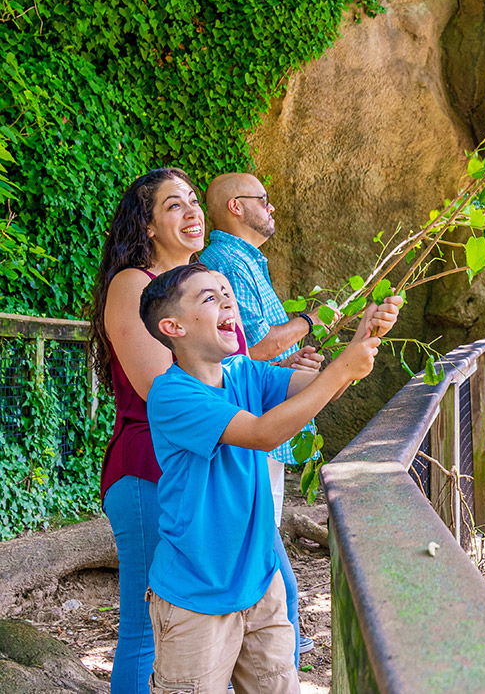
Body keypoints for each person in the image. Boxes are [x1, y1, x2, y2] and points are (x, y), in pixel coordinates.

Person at [139, 264, 400, 694]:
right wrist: (343, 369)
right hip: (195, 597)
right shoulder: (171, 394)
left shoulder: (245, 371)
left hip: (261, 583)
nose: (227, 300)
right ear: (173, 327)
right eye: (209, 297)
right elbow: (264, 434)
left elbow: (320, 389)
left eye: (227, 291)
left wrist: (361, 341)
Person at [89, 168, 207, 694]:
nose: (192, 212)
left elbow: (234, 379)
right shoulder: (132, 285)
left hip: (197, 469)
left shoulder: (201, 289)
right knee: (145, 631)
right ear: (148, 225)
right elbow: (162, 390)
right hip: (146, 471)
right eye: (174, 205)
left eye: (194, 201)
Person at [199, 173, 327, 659]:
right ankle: (277, 639)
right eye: (264, 200)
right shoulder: (223, 261)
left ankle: (275, 636)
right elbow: (252, 345)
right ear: (236, 206)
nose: (272, 208)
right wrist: (311, 320)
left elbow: (263, 356)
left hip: (266, 410)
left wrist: (293, 365)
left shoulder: (247, 260)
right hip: (252, 422)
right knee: (261, 538)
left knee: (265, 535)